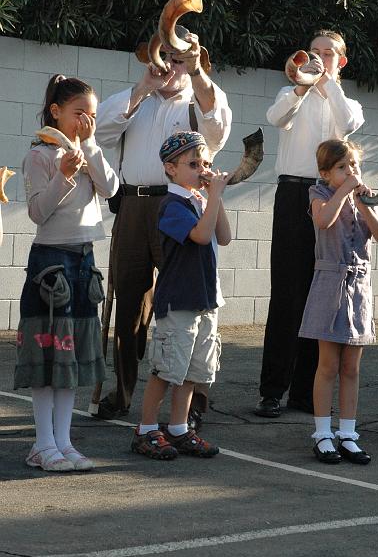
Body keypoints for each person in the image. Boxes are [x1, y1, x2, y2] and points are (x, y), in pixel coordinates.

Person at [95, 33, 232, 422]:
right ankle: (122, 393)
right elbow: (101, 132)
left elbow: (218, 129)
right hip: (135, 204)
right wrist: (142, 88)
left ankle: (192, 406)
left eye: (178, 59)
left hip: (183, 204)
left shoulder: (201, 96)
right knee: (129, 304)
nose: (168, 65)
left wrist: (197, 71)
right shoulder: (135, 97)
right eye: (163, 56)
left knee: (192, 301)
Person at [255, 30, 364, 418]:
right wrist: (302, 86)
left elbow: (348, 124)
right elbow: (275, 117)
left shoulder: (347, 101)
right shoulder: (292, 97)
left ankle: (304, 393)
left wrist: (328, 84)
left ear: (341, 61)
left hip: (332, 198)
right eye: (314, 53)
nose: (319, 59)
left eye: (328, 54)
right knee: (287, 293)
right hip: (293, 195)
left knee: (322, 294)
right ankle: (272, 390)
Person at [14, 74, 118, 472]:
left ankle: (64, 440)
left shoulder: (88, 149)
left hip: (84, 260)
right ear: (56, 112)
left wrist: (90, 149)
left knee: (70, 358)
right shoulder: (41, 154)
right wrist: (65, 173)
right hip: (51, 262)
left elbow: (110, 188)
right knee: (47, 359)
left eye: (91, 115)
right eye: (79, 114)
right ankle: (42, 444)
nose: (86, 122)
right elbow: (39, 212)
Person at [131, 131, 231, 459]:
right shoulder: (171, 205)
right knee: (167, 368)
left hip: (205, 298)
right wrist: (212, 197)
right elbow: (201, 237)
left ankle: (178, 427)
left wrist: (216, 196)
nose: (202, 169)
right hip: (178, 300)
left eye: (206, 163)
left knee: (193, 369)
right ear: (171, 168)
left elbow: (224, 236)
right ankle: (146, 429)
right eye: (193, 163)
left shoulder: (200, 200)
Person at [299, 139, 378, 464]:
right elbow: (323, 221)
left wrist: (364, 202)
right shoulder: (319, 194)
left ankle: (348, 434)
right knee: (328, 365)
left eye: (354, 165)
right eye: (342, 167)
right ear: (325, 173)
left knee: (351, 367)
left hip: (359, 287)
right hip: (330, 283)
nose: (351, 172)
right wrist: (344, 191)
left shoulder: (363, 199)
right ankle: (323, 434)